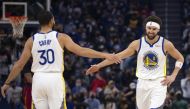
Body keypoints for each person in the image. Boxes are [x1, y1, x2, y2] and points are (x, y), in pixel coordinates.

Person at [1, 10, 121, 109]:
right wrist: (105, 55)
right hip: (54, 78)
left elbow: (19, 64)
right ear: (52, 21)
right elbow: (82, 51)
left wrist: (7, 83)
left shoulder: (31, 40)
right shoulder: (61, 37)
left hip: (37, 79)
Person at [86, 15, 184, 109]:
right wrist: (98, 66)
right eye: (149, 28)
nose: (151, 31)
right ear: (146, 28)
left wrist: (173, 76)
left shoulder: (166, 44)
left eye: (154, 29)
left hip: (159, 82)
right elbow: (117, 57)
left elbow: (180, 58)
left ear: (158, 30)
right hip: (142, 82)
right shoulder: (137, 44)